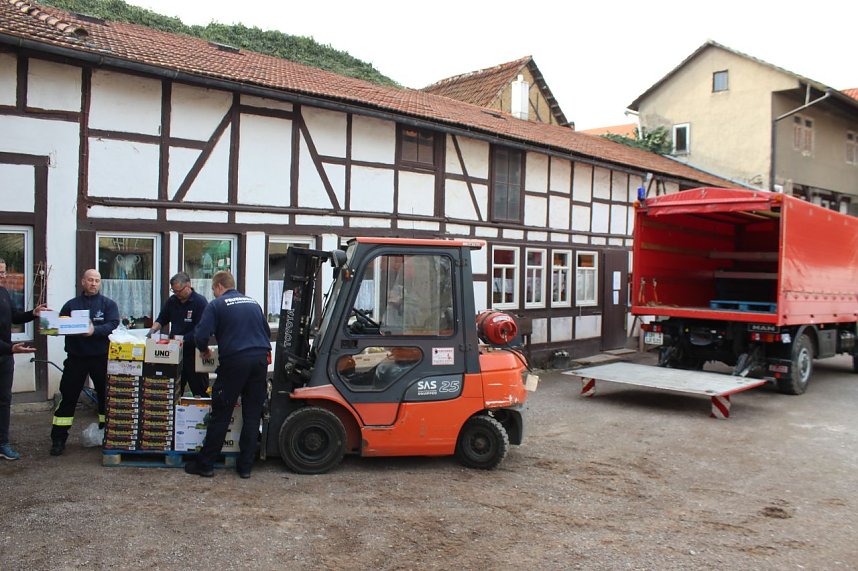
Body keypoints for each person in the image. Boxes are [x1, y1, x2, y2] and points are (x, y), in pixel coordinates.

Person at [184, 271, 270, 479]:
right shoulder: (253, 302)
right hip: (259, 360)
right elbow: (266, 332)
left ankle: (205, 464)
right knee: (252, 414)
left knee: (221, 412)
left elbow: (201, 335)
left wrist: (204, 350)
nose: (213, 293)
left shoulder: (217, 305)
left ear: (220, 286)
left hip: (235, 361)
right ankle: (245, 467)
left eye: (213, 289)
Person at [50, 269, 120, 456]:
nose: (94, 283)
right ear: (83, 282)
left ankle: (108, 435)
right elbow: (58, 325)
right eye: (90, 280)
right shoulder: (71, 305)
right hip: (76, 358)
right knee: (68, 397)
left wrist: (93, 331)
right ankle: (58, 439)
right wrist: (49, 323)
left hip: (100, 358)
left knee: (106, 397)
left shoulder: (108, 304)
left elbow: (113, 324)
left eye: (97, 280)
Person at [0, 258, 46, 460]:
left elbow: (14, 317)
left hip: (5, 358)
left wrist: (33, 314)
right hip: (7, 351)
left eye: (3, 272)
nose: (3, 276)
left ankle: (2, 443)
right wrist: (11, 348)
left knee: (4, 401)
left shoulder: (3, 293)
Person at [149, 272, 209, 397]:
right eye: (174, 291)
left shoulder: (200, 302)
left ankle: (203, 413)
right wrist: (151, 332)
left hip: (193, 353)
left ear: (188, 286)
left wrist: (181, 340)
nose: (177, 294)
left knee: (200, 389)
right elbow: (162, 319)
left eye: (179, 291)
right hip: (174, 353)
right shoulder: (172, 301)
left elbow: (201, 330)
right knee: (174, 389)